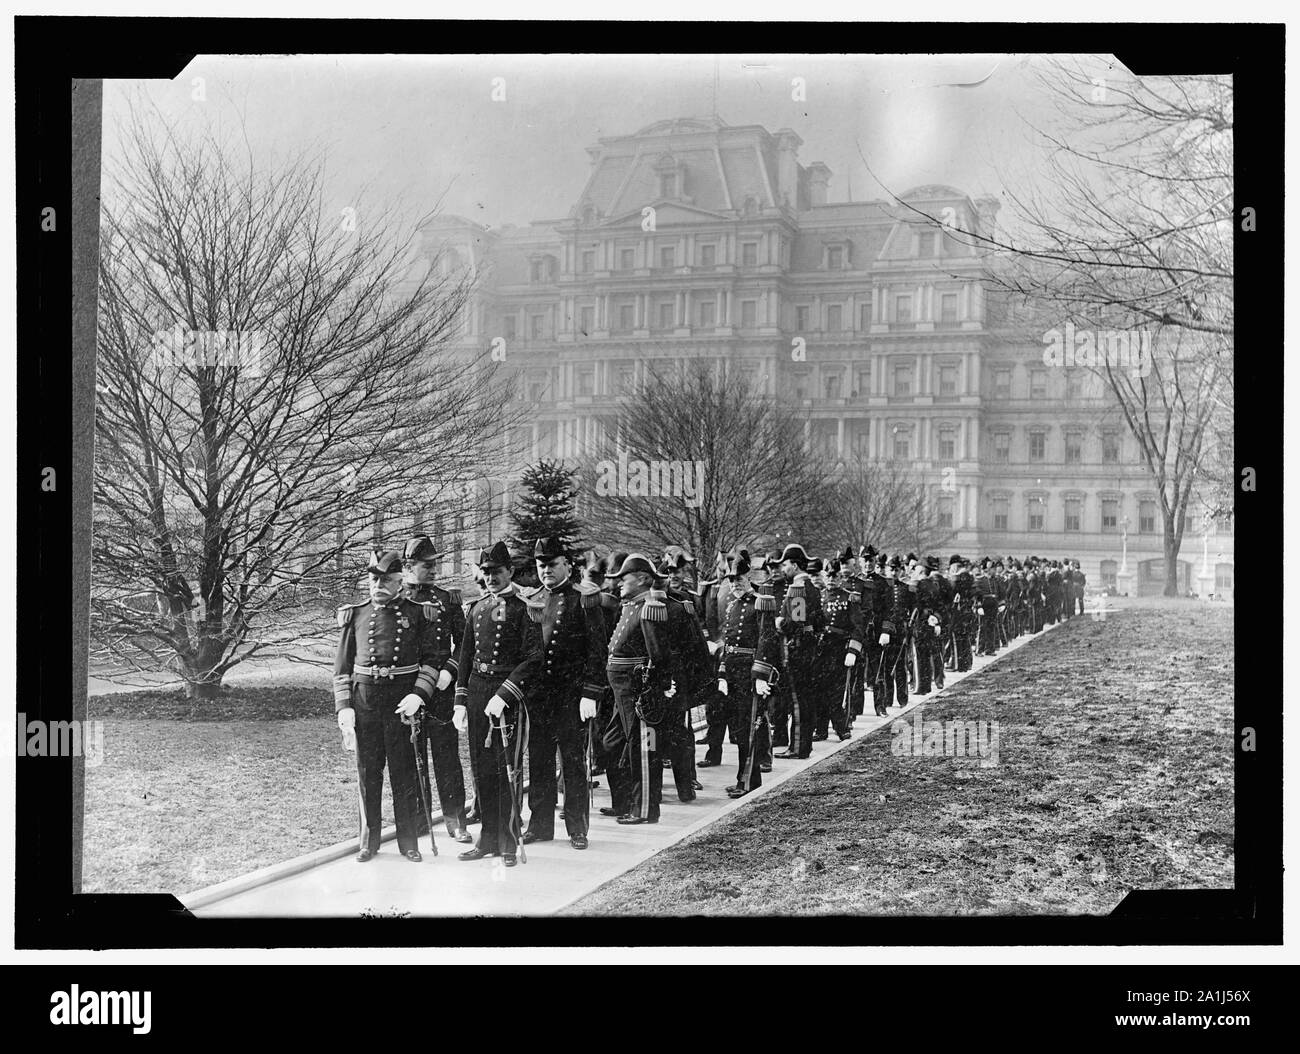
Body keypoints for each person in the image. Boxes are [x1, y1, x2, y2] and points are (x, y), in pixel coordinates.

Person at [334, 549, 444, 863]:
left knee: (404, 774)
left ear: (399, 581)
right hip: (365, 703)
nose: (378, 584)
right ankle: (368, 841)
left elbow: (433, 660)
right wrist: (345, 708)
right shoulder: (355, 614)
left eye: (385, 579)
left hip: (402, 705)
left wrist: (419, 695)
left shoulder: (419, 613)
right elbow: (342, 669)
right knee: (368, 774)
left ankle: (409, 841)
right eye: (373, 578)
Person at [453, 541, 541, 867]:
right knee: (482, 769)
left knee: (508, 771)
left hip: (506, 695)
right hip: (478, 692)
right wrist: (461, 701)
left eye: (496, 572)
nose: (490, 577)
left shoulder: (524, 609)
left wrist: (504, 695)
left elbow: (534, 658)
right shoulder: (475, 608)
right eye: (486, 572)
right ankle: (487, 838)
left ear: (510, 572)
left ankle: (508, 840)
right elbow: (464, 656)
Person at [603, 554, 691, 824]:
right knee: (611, 744)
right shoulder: (630, 605)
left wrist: (657, 688)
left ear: (642, 579)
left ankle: (644, 809)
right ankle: (623, 802)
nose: (618, 583)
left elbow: (659, 654)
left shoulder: (650, 608)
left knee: (644, 749)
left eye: (623, 578)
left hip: (638, 690)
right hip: (622, 689)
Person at [401, 535, 473, 844]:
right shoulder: (397, 600)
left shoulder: (447, 599)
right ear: (407, 566)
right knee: (411, 756)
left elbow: (465, 644)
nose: (433, 570)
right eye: (425, 565)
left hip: (442, 690)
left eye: (434, 565)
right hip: (409, 691)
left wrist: (450, 671)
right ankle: (419, 820)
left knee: (446, 758)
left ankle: (456, 820)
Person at [715, 550, 775, 798]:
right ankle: (743, 776)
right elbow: (727, 641)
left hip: (750, 672)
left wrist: (761, 675)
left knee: (750, 728)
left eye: (739, 579)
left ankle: (750, 781)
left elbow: (766, 639)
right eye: (731, 580)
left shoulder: (761, 602)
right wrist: (722, 673)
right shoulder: (730, 606)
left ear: (748, 577)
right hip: (733, 672)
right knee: (739, 729)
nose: (735, 584)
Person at [766, 543, 825, 760]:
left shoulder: (798, 589)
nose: (783, 569)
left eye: (786, 564)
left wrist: (781, 623)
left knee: (799, 701)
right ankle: (801, 745)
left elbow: (797, 623)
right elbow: (819, 621)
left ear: (795, 565)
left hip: (797, 649)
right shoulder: (812, 588)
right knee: (804, 699)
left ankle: (798, 747)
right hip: (807, 648)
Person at [813, 557, 862, 740]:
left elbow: (858, 627)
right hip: (821, 649)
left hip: (839, 648)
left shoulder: (849, 597)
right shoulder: (819, 597)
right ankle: (821, 729)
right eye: (829, 576)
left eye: (835, 576)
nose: (832, 579)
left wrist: (853, 651)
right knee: (820, 689)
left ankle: (841, 727)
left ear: (841, 577)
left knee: (837, 691)